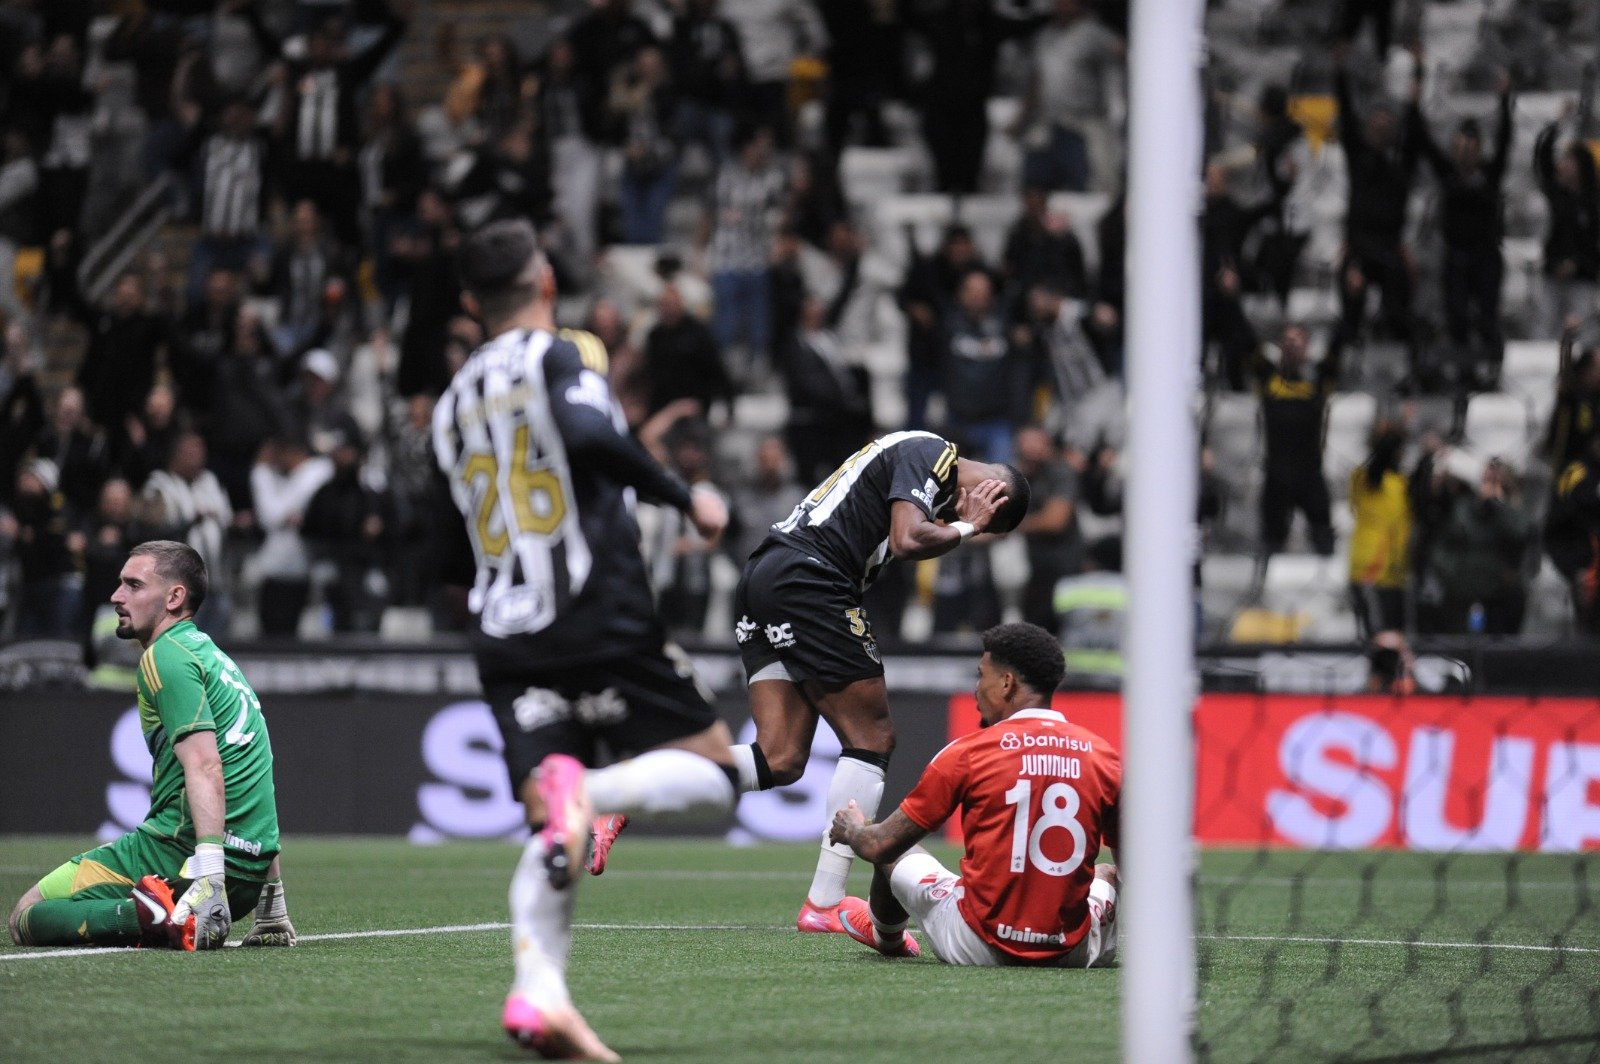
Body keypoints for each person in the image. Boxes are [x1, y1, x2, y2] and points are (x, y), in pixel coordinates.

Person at [433, 220, 738, 1060]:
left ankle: (541, 998)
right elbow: (592, 436)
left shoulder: (449, 402)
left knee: (550, 819)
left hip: (503, 634)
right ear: (545, 285)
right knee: (715, 777)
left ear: (469, 302)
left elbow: (440, 546)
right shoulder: (562, 356)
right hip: (597, 613)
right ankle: (589, 799)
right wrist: (683, 495)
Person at [635, 428, 1028, 935]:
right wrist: (971, 528)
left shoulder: (914, 477)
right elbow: (909, 541)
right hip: (809, 579)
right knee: (873, 738)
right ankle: (824, 902)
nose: (954, 520)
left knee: (780, 758)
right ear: (992, 493)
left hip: (767, 575)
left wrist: (959, 525)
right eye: (982, 516)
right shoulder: (934, 453)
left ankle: (635, 787)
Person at [7, 540, 295, 949]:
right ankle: (164, 912)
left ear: (175, 597)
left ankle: (146, 915)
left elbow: (207, 767)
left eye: (134, 585)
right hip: (246, 876)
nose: (116, 596)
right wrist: (271, 902)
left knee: (26, 916)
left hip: (183, 860)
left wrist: (209, 875)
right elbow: (254, 767)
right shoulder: (217, 659)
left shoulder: (165, 656)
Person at [828, 622, 1120, 968]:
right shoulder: (1104, 757)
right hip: (1070, 952)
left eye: (982, 676)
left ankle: (886, 936)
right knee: (1107, 874)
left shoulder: (969, 752)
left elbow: (881, 846)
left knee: (896, 845)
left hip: (977, 943)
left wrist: (852, 828)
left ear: (1007, 683)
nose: (976, 690)